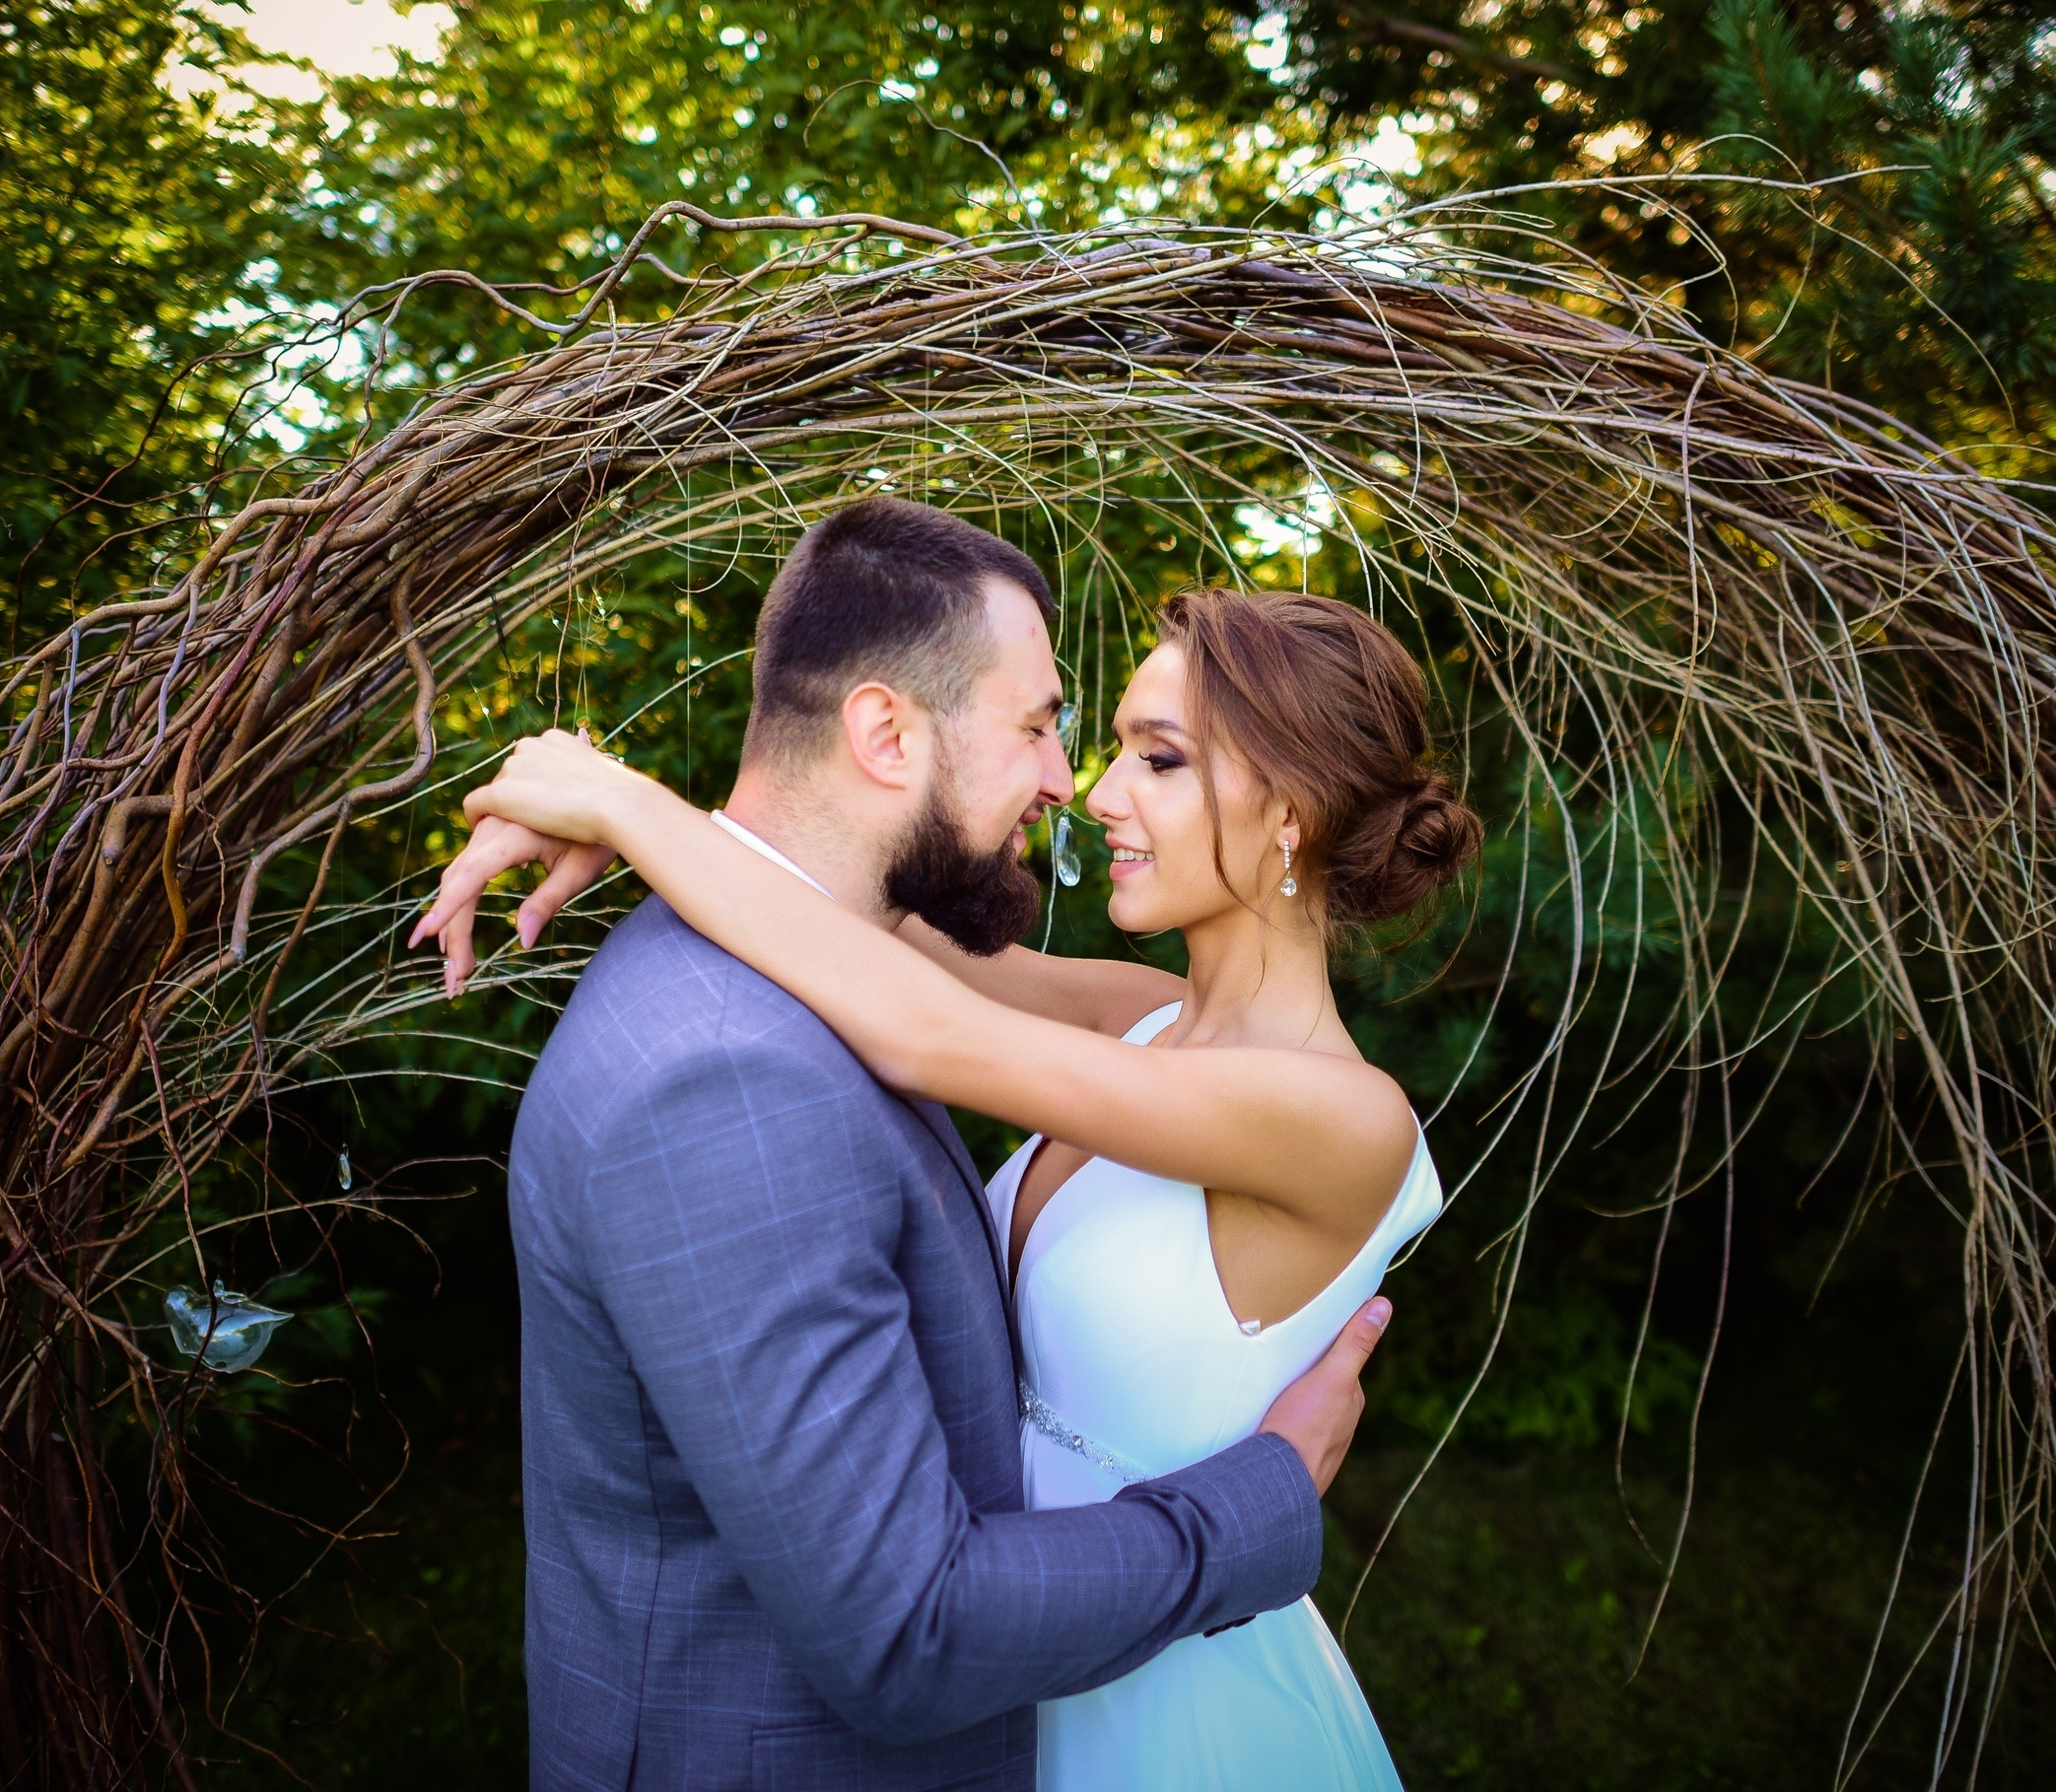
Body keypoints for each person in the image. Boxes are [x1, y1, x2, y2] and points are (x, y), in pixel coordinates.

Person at [412, 499, 1399, 1792]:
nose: (1080, 786)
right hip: (1034, 1655)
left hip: (1152, 1693)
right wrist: (654, 826)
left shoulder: (1340, 1110)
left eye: (1152, 758)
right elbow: (853, 931)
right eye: (1054, 732)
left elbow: (919, 1014)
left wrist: (629, 804)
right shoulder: (1132, 1017)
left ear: (1293, 815)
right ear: (885, 730)